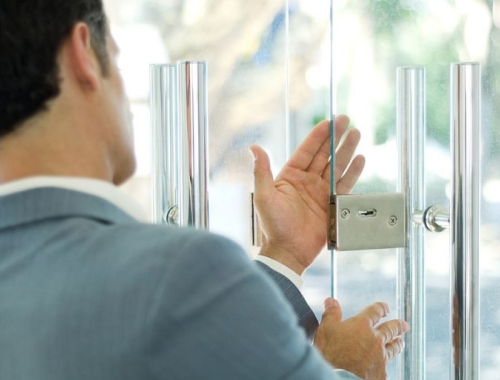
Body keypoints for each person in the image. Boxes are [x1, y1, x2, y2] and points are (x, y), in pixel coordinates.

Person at [0, 1, 408, 379]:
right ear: (83, 56)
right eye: (120, 66)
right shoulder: (177, 272)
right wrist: (348, 369)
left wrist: (286, 256)